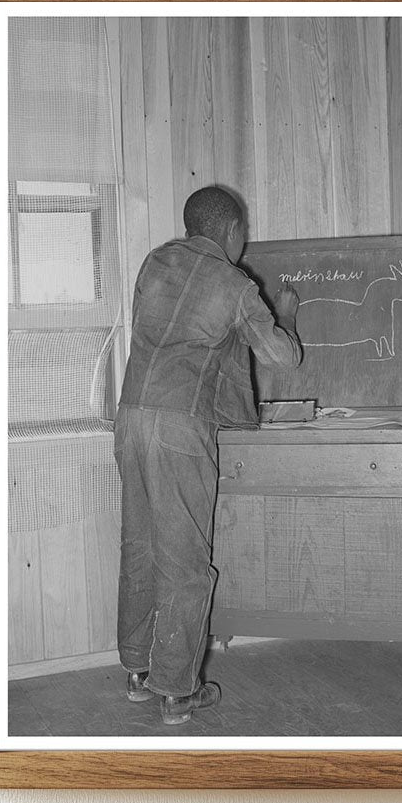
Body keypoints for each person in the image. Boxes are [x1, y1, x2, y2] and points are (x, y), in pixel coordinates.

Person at [114, 186, 301, 725]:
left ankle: (136, 671)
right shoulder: (235, 284)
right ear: (233, 232)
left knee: (139, 546)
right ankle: (176, 691)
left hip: (130, 417)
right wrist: (283, 315)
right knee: (186, 562)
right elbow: (281, 358)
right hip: (179, 426)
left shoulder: (155, 263)